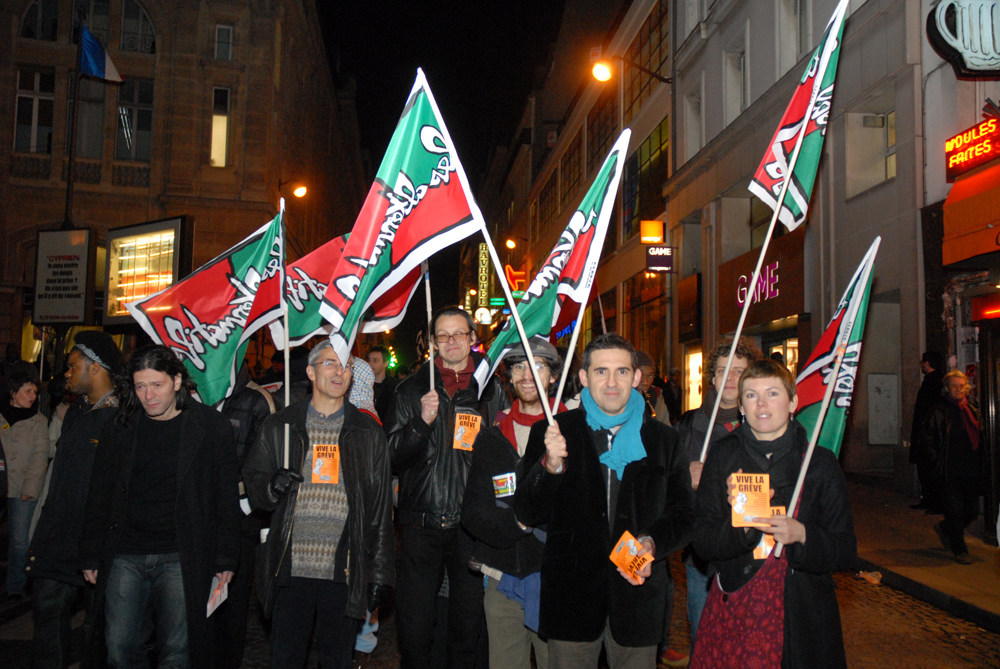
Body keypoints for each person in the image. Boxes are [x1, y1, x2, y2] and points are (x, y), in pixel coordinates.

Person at [514, 333, 695, 668]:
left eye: (622, 372)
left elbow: (684, 513)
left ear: (637, 377)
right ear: (583, 377)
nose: (612, 382)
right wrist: (549, 467)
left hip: (638, 598)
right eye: (601, 372)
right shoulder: (553, 431)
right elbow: (526, 511)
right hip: (572, 601)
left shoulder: (663, 440)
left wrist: (653, 542)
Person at [79, 346, 241, 669]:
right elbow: (100, 492)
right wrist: (90, 552)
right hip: (125, 552)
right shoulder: (120, 427)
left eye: (157, 385)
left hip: (181, 555)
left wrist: (225, 557)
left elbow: (224, 497)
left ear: (177, 381)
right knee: (119, 647)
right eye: (140, 387)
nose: (148, 395)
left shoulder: (211, 428)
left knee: (178, 651)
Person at [690, 359, 856, 669]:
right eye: (751, 395)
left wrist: (802, 536)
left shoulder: (819, 463)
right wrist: (739, 528)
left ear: (793, 402)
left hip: (800, 613)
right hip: (735, 606)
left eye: (773, 393)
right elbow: (702, 541)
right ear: (741, 405)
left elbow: (846, 550)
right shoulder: (724, 456)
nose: (761, 403)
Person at [244, 341, 394, 669]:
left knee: (337, 660)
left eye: (346, 366)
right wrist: (271, 486)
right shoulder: (281, 426)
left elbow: (381, 509)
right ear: (311, 372)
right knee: (286, 658)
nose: (339, 372)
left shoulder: (368, 433)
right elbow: (254, 483)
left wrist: (380, 571)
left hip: (344, 567)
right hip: (290, 565)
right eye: (329, 364)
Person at [389, 306, 498, 669]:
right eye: (443, 335)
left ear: (472, 338)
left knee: (467, 626)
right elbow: (389, 457)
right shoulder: (411, 390)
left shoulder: (490, 390)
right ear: (432, 342)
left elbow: (505, 454)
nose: (451, 342)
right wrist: (420, 424)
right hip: (421, 524)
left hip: (471, 525)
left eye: (459, 334)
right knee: (415, 625)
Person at [462, 337, 564, 669]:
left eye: (537, 365)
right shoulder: (492, 437)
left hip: (556, 582)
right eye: (518, 366)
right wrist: (516, 524)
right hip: (502, 577)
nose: (526, 375)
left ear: (552, 377)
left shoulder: (572, 431)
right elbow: (473, 513)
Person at [28, 331, 124, 669]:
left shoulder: (121, 418)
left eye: (72, 366)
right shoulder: (74, 413)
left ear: (95, 368)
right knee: (47, 622)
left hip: (97, 546)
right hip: (59, 541)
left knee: (98, 632)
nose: (66, 374)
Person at [676, 337, 762, 660]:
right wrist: (686, 478)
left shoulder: (761, 426)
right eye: (723, 371)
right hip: (701, 558)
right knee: (704, 642)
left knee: (748, 647)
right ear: (711, 378)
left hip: (751, 556)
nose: (730, 379)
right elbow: (663, 490)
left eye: (739, 371)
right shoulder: (687, 426)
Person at [215, 362, 275, 669]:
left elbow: (263, 465)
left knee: (231, 603)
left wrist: (244, 505)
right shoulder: (191, 392)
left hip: (239, 517)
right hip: (199, 515)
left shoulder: (256, 400)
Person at [920, 370, 981, 565]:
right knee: (954, 509)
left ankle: (946, 528)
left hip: (970, 468)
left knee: (971, 510)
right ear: (946, 389)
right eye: (954, 386)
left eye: (961, 385)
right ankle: (959, 549)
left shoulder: (971, 410)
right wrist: (935, 462)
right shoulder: (939, 411)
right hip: (949, 469)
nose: (958, 389)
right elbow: (927, 440)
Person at [1, 369, 48, 599]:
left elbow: (40, 457)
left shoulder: (38, 421)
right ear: (13, 392)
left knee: (20, 542)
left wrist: (30, 488)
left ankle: (16, 587)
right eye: (27, 391)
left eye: (35, 392)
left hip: (22, 490)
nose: (33, 396)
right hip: (2, 484)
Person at [909, 351, 944, 512]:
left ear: (927, 363)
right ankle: (929, 500)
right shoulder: (934, 381)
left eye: (922, 362)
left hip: (928, 434)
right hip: (928, 432)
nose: (921, 365)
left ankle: (933, 501)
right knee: (926, 468)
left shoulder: (933, 382)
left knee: (928, 468)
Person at [368, 345, 398, 433]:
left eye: (375, 360)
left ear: (386, 363)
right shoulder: (363, 384)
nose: (370, 363)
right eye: (369, 359)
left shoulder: (395, 387)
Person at [636, 351, 670, 426]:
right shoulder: (620, 399)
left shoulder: (657, 397)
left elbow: (667, 430)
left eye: (650, 376)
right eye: (641, 375)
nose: (645, 382)